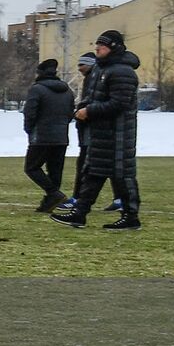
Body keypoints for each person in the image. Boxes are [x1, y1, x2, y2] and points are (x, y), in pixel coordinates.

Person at [51, 30, 142, 230]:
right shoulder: (100, 70)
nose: (97, 48)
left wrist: (89, 111)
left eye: (102, 45)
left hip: (118, 134)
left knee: (122, 175)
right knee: (93, 173)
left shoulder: (122, 72)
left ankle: (131, 217)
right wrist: (81, 109)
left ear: (114, 47)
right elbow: (92, 98)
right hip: (100, 133)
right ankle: (79, 214)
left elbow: (119, 103)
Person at [22, 58, 74, 212]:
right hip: (62, 136)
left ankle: (53, 194)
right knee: (55, 170)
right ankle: (50, 201)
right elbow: (70, 112)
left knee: (31, 167)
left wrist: (29, 129)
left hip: (42, 136)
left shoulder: (37, 89)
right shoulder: (67, 90)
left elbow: (30, 113)